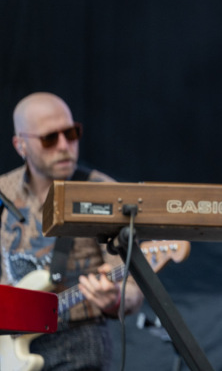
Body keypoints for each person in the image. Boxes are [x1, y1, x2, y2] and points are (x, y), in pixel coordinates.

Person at [0, 92, 143, 371]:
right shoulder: (4, 190)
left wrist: (114, 299)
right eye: (49, 138)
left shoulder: (104, 193)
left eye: (71, 133)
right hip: (10, 340)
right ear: (21, 145)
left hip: (78, 341)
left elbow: (134, 289)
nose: (64, 146)